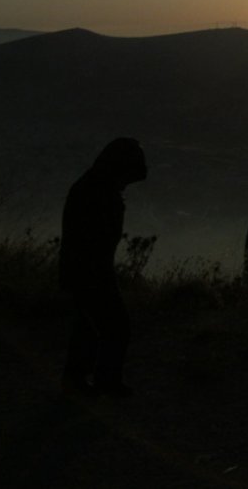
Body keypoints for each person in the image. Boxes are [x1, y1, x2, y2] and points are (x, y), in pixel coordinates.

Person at [59, 137, 148, 398]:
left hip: (85, 271)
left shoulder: (93, 187)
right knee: (115, 327)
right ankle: (102, 382)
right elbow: (92, 239)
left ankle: (80, 380)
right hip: (90, 272)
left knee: (90, 327)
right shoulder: (97, 191)